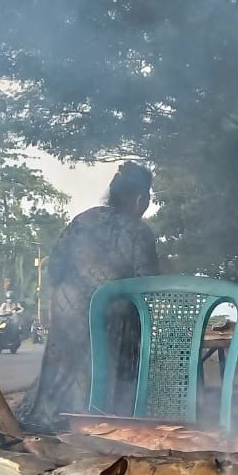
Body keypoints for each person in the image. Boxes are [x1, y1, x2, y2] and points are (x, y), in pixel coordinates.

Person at [18, 161, 159, 428]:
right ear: (140, 198)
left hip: (67, 310)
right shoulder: (138, 231)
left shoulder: (84, 219)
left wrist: (55, 302)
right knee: (111, 361)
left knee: (62, 367)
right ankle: (97, 422)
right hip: (111, 320)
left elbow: (56, 264)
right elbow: (148, 284)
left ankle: (49, 421)